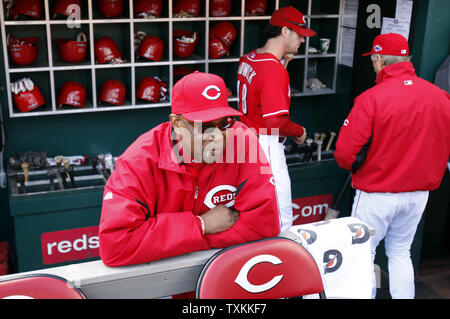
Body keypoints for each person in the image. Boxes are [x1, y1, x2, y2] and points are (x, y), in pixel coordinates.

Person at [99, 71, 280, 267]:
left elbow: (265, 225)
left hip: (230, 272)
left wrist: (177, 241)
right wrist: (201, 225)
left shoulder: (243, 140)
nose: (217, 136)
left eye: (224, 124)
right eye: (204, 127)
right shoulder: (138, 161)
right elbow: (115, 246)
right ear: (177, 123)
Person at [334, 33, 450, 299]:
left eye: (374, 59)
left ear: (378, 60)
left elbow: (344, 154)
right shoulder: (439, 95)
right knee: (400, 252)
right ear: (406, 59)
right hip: (419, 194)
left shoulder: (372, 98)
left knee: (362, 253)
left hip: (377, 192)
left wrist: (357, 164)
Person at [237, 6, 314, 232]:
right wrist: (299, 131)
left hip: (245, 143)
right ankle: (282, 265)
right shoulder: (273, 70)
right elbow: (275, 123)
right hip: (266, 146)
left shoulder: (249, 57)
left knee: (251, 209)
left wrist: (281, 63)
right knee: (281, 217)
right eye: (298, 34)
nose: (302, 39)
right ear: (284, 31)